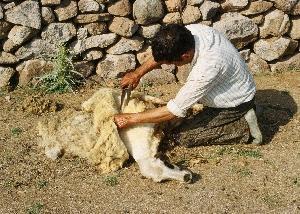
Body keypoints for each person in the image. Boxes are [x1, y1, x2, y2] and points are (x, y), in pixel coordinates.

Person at [114, 23, 260, 147]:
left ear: (185, 56)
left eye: (170, 63)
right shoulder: (188, 34)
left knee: (183, 137)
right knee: (178, 121)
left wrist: (130, 118)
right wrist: (137, 73)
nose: (167, 64)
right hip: (228, 87)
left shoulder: (208, 66)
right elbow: (163, 53)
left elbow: (173, 110)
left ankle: (244, 128)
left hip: (235, 104)